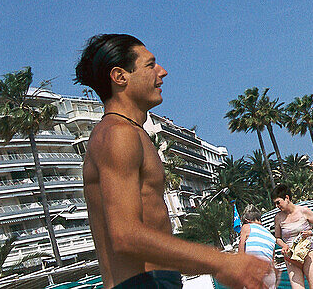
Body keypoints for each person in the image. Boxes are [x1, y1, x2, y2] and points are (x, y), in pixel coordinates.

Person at [75, 34, 270, 289]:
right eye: (150, 65)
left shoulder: (132, 132)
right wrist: (221, 262)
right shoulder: (116, 135)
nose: (162, 72)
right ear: (120, 76)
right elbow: (125, 236)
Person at [272, 185, 313, 289]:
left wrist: (311, 232)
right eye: (275, 204)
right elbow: (277, 238)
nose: (277, 206)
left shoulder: (303, 211)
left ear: (287, 198)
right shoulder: (278, 217)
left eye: (278, 202)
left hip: (307, 253)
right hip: (290, 256)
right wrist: (284, 245)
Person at [238, 207, 278, 289]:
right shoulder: (270, 235)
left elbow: (241, 248)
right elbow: (272, 258)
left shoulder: (246, 227)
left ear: (247, 220)